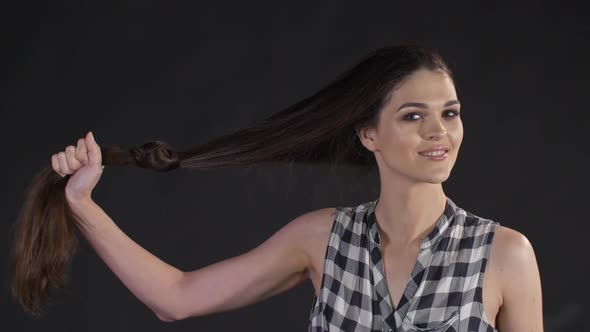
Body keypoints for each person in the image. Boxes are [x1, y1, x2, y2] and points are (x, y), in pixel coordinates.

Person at [10, 45, 543, 331]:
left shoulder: (503, 255)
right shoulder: (322, 239)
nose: (439, 133)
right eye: (413, 116)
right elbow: (176, 299)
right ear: (368, 134)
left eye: (450, 113)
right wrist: (80, 203)